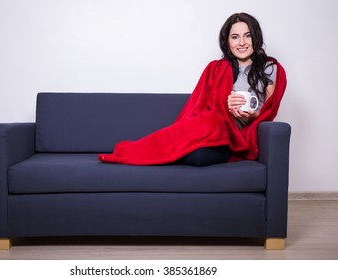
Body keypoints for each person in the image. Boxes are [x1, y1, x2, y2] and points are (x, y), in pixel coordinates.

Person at [99, 13, 286, 166]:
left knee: (198, 158)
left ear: (255, 36)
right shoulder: (216, 68)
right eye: (235, 37)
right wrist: (225, 104)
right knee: (203, 126)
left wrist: (251, 115)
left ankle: (162, 156)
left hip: (233, 138)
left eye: (247, 35)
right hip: (211, 128)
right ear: (227, 41)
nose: (242, 43)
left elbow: (268, 111)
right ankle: (133, 151)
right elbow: (202, 106)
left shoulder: (269, 68)